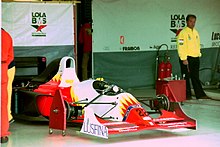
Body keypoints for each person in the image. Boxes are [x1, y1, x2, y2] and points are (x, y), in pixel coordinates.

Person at [177, 14, 210, 100]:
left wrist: (199, 54)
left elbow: (197, 44)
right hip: (187, 58)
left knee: (195, 76)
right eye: (191, 21)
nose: (193, 23)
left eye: (194, 22)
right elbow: (181, 46)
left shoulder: (195, 32)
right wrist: (183, 58)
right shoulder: (182, 33)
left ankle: (200, 94)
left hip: (195, 57)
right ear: (187, 22)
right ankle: (187, 95)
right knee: (186, 77)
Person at [1, 28, 14, 143]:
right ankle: (3, 134)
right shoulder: (6, 35)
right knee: (3, 103)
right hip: (3, 70)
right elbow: (11, 56)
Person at [8, 51, 15, 124]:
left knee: (6, 92)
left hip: (6, 67)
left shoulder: (5, 39)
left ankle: (8, 116)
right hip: (6, 66)